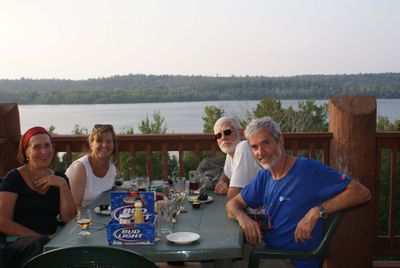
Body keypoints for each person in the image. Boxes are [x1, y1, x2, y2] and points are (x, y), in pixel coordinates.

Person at [226, 117, 371, 268]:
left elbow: (361, 192)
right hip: (268, 251)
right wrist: (243, 218)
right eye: (254, 147)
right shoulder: (265, 176)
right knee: (221, 259)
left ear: (280, 141)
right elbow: (232, 204)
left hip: (293, 260)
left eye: (266, 143)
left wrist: (317, 211)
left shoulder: (308, 170)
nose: (260, 152)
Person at [0, 126, 76, 268]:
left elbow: (69, 219)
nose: (44, 151)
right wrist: (40, 238)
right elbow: (2, 221)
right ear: (26, 152)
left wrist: (63, 185)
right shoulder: (14, 179)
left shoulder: (60, 178)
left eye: (47, 146)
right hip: (17, 243)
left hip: (51, 241)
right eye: (37, 147)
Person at [66, 124, 117, 209]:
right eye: (99, 141)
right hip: (80, 219)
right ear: (91, 144)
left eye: (108, 141)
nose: (104, 145)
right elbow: (75, 207)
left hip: (101, 218)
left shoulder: (112, 169)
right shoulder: (80, 167)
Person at [213, 117, 261, 200]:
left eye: (227, 132)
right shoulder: (231, 151)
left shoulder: (243, 147)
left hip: (265, 209)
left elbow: (234, 196)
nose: (223, 138)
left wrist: (227, 191)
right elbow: (226, 173)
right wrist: (221, 182)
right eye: (218, 135)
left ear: (241, 133)